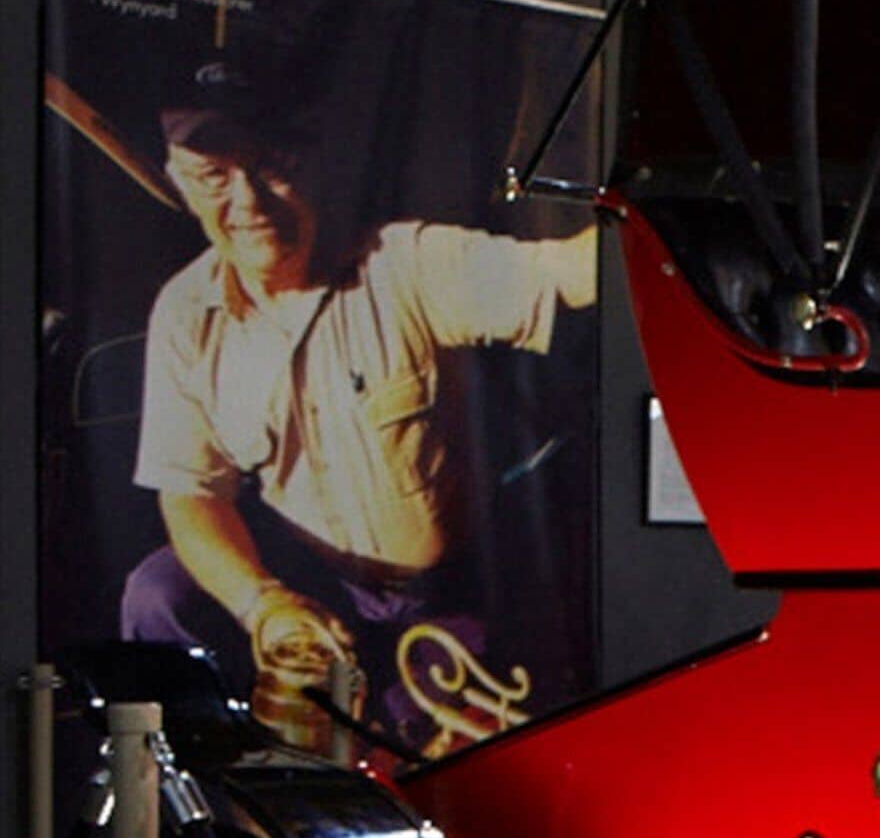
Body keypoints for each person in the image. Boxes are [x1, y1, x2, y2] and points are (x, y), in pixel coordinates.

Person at [119, 61, 596, 733]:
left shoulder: (403, 264)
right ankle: (189, 807)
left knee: (440, 770)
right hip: (305, 583)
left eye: (270, 164)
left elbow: (574, 271)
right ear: (179, 184)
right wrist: (265, 606)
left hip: (439, 599)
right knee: (157, 593)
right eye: (213, 176)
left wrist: (672, 219)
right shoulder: (184, 313)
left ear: (311, 158)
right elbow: (192, 494)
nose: (250, 204)